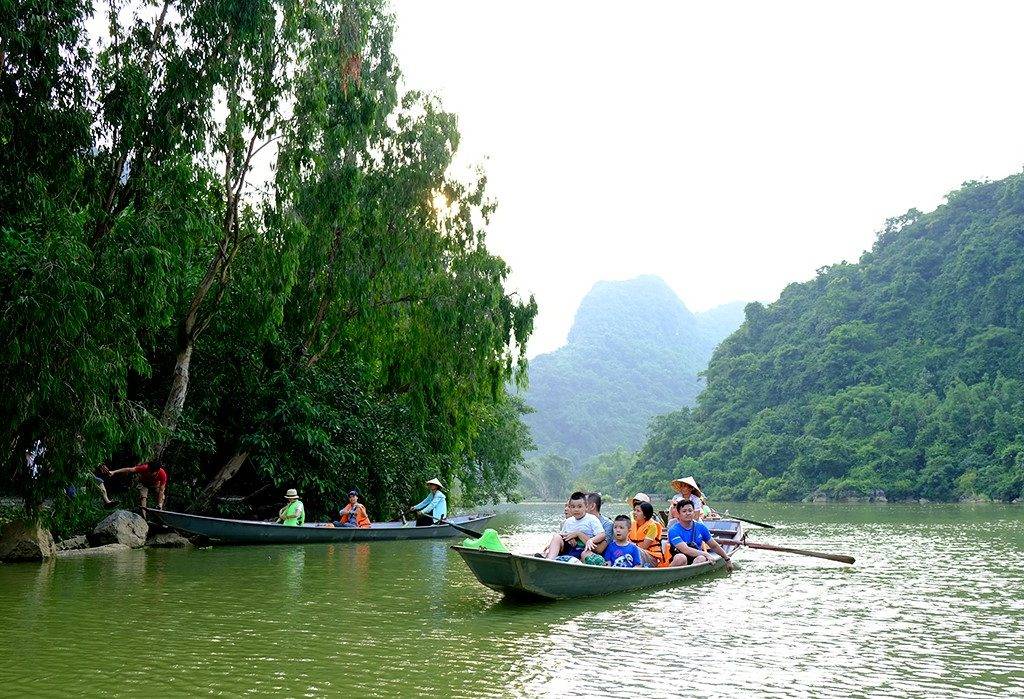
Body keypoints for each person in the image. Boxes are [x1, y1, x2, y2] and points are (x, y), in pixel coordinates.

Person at [668, 500, 732, 570]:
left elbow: (714, 546)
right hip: (679, 557)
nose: (688, 513)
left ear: (694, 513)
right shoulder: (673, 530)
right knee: (681, 558)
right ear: (678, 514)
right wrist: (706, 554)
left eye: (690, 511)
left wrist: (727, 559)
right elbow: (685, 550)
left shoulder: (700, 527)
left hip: (696, 557)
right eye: (684, 511)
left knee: (701, 558)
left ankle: (690, 575)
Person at [543, 491, 605, 560]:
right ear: (570, 507)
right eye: (573, 507)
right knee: (556, 537)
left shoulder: (592, 519)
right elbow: (563, 535)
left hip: (585, 549)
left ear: (586, 507)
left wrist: (591, 540)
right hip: (570, 548)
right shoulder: (568, 521)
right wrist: (567, 538)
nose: (576, 509)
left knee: (586, 554)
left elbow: (602, 535)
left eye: (579, 506)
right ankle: (550, 559)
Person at [628, 500, 665, 567]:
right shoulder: (632, 524)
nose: (634, 513)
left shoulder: (652, 526)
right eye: (634, 510)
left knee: (637, 551)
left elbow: (644, 547)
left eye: (638, 511)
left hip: (652, 557)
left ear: (645, 515)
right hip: (634, 553)